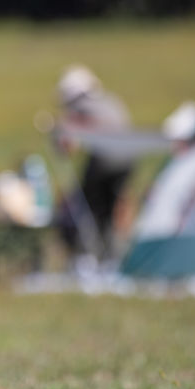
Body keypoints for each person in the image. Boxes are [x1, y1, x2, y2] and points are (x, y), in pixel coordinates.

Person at [53, 65, 133, 265]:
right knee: (112, 209)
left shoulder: (80, 107)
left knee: (89, 209)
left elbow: (68, 142)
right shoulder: (110, 101)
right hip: (128, 161)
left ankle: (89, 256)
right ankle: (115, 257)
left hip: (104, 160)